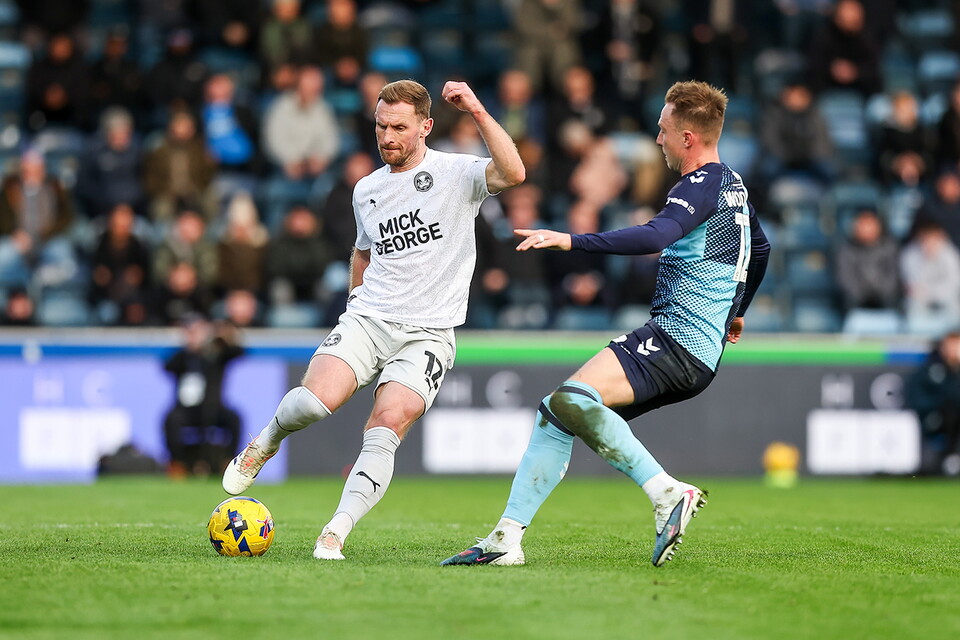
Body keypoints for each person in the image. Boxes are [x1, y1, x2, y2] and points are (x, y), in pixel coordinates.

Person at [442, 80, 770, 568]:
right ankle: (506, 538)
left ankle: (666, 494)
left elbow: (656, 235)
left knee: (573, 399)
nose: (657, 139)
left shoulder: (701, 184)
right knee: (558, 410)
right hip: (692, 349)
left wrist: (572, 241)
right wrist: (736, 310)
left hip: (677, 340)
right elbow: (760, 249)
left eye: (663, 131)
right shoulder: (734, 186)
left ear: (687, 139)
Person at [221, 79, 526, 560]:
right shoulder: (367, 188)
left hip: (429, 332)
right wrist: (353, 305)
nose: (387, 137)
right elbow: (362, 252)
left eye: (399, 128)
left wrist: (475, 109)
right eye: (381, 126)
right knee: (315, 403)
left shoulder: (457, 173)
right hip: (370, 318)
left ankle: (334, 532)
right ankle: (266, 441)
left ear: (425, 127)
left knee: (387, 422)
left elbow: (514, 172)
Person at [163, 314, 244, 477]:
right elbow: (168, 366)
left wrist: (224, 337)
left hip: (214, 407)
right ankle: (177, 463)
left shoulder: (215, 355)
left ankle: (228, 462)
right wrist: (190, 350)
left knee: (234, 419)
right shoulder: (183, 357)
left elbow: (238, 352)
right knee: (171, 420)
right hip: (187, 410)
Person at [905, 331, 960, 476]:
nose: (954, 350)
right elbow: (917, 395)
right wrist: (934, 409)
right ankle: (946, 459)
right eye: (951, 345)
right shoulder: (930, 369)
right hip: (936, 418)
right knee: (949, 412)